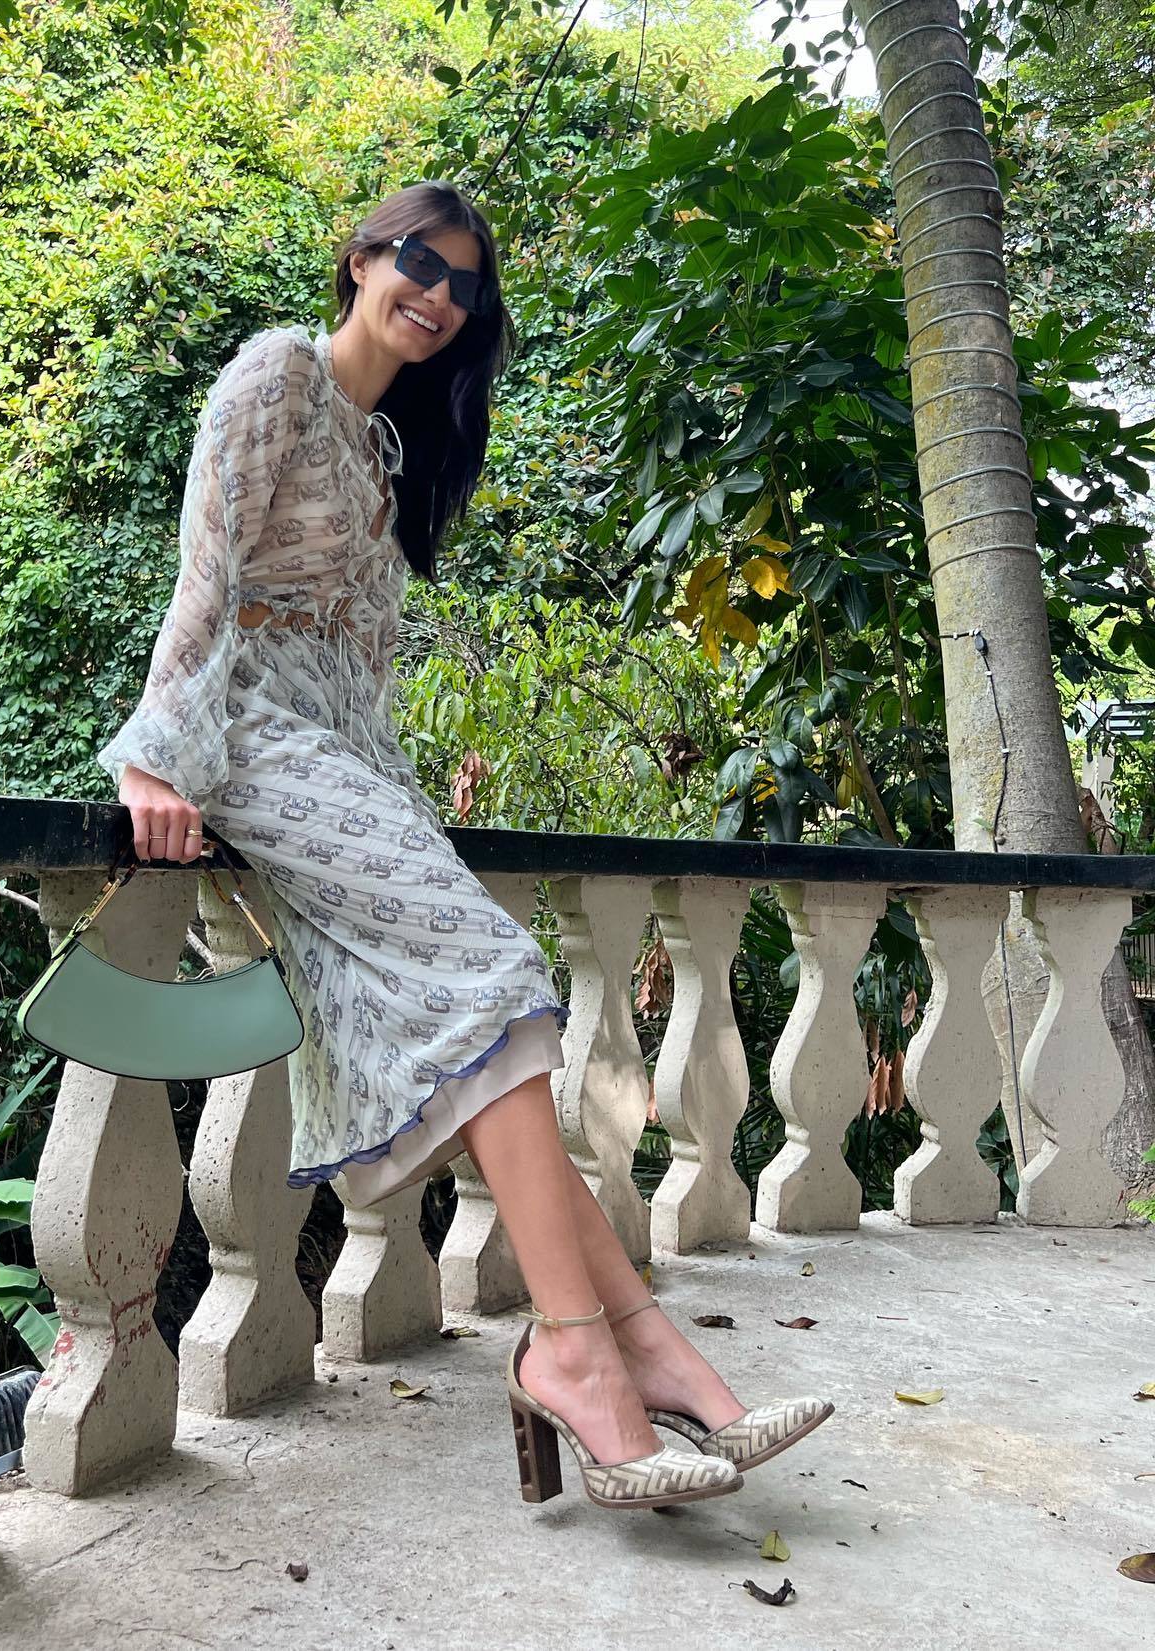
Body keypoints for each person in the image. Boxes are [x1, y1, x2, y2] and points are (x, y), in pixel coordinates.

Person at [96, 179, 832, 1512]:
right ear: (361, 257)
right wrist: (155, 756)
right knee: (497, 978)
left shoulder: (389, 447)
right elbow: (210, 573)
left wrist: (390, 799)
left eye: (463, 284)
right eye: (419, 263)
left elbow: (360, 670)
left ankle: (634, 1349)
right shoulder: (276, 374)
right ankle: (585, 1353)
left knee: (486, 1032)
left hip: (344, 761)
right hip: (247, 738)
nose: (437, 294)